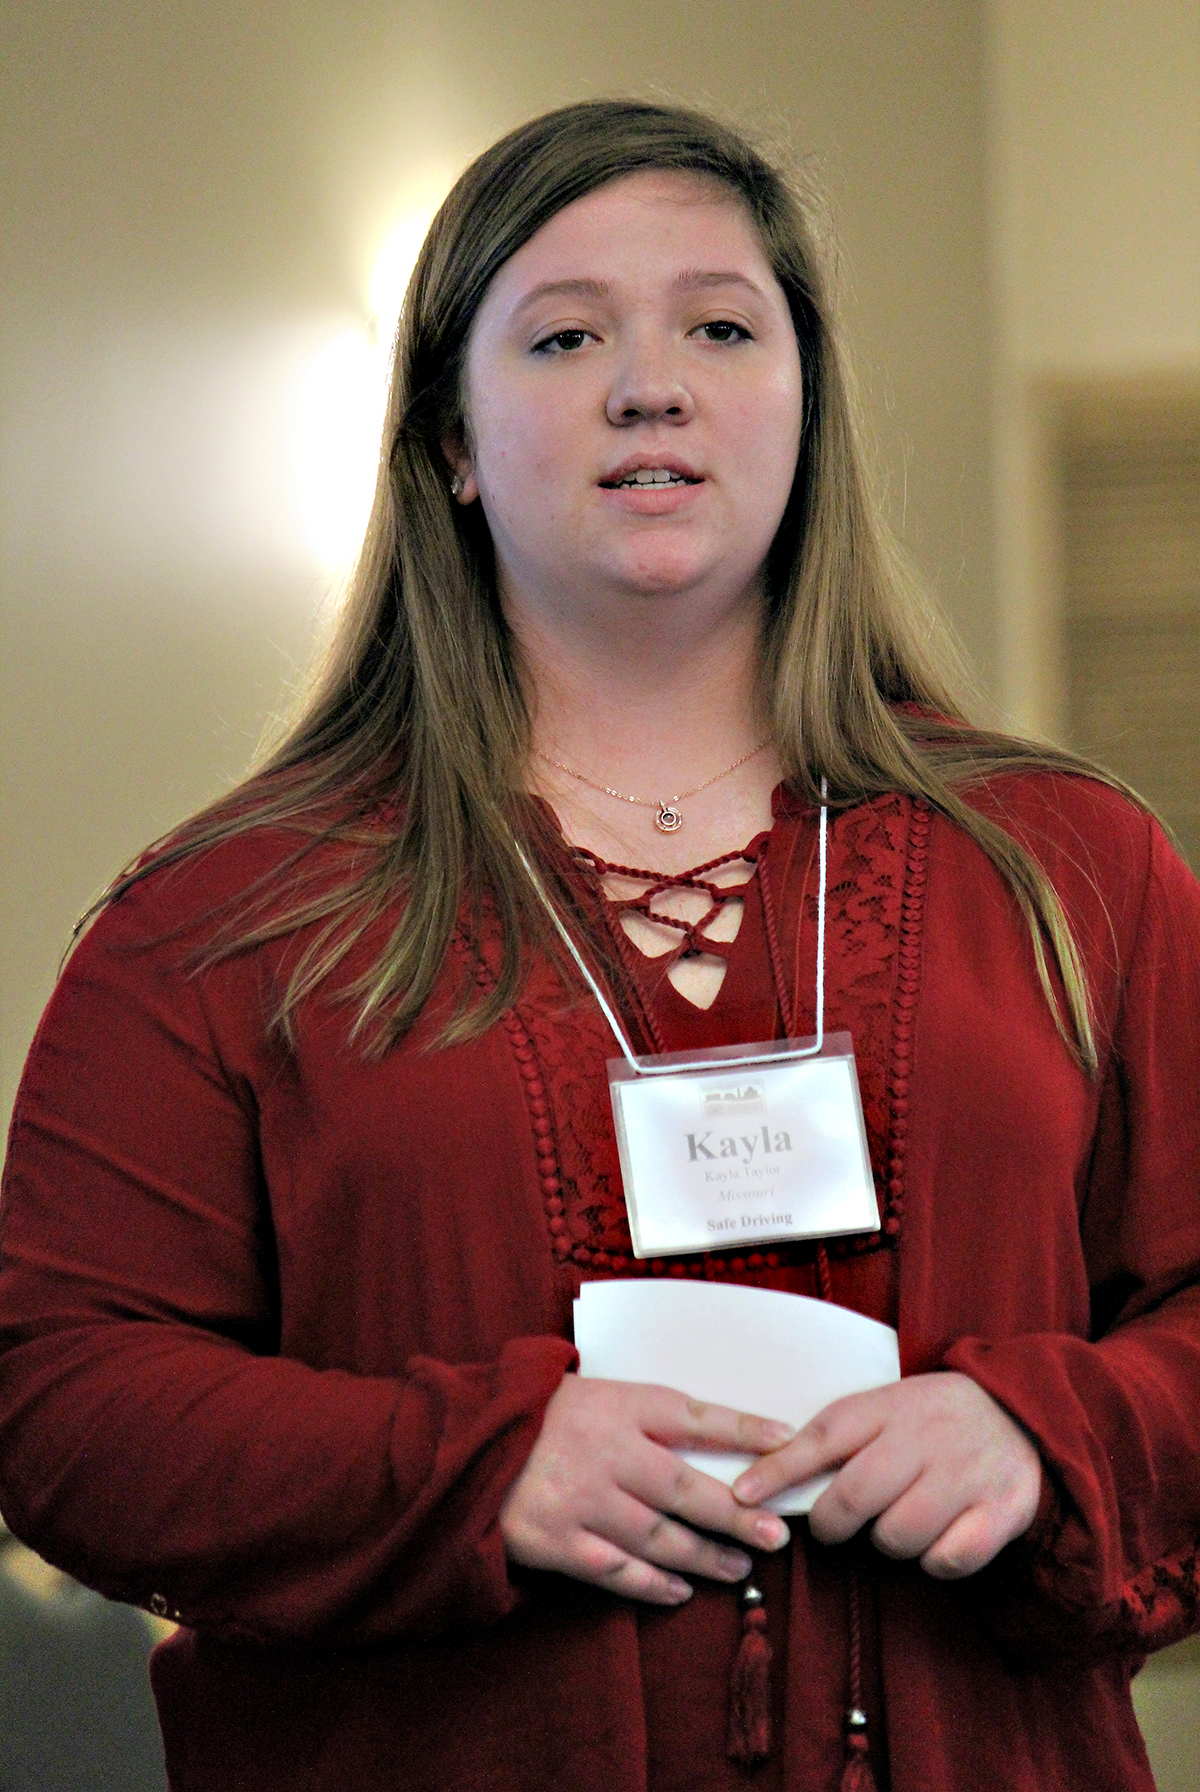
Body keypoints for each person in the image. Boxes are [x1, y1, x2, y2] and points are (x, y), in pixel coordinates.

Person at [1, 99, 1197, 1792]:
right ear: (452, 445)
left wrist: (1050, 1439)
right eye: (567, 336)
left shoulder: (1077, 869)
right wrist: (467, 1472)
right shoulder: (223, 919)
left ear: (803, 410)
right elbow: (60, 1398)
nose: (654, 381)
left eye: (721, 325)